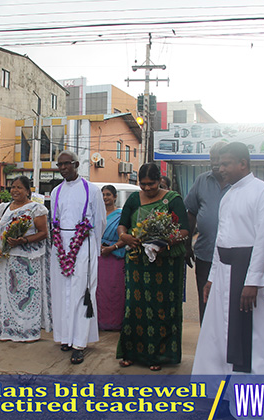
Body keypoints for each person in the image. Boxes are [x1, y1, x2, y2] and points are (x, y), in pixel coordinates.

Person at [192, 142, 264, 375]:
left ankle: (255, 400)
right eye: (219, 163)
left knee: (254, 337)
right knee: (219, 335)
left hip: (250, 274)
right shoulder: (228, 195)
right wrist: (211, 277)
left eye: (226, 163)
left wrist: (252, 281)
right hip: (224, 274)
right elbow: (219, 241)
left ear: (243, 163)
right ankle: (224, 390)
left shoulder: (263, 192)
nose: (220, 168)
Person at [116, 163, 190, 371]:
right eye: (143, 184)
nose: (147, 188)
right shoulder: (133, 199)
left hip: (165, 264)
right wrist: (124, 236)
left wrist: (164, 242)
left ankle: (159, 355)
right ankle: (131, 352)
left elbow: (184, 230)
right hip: (137, 262)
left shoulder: (172, 200)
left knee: (161, 308)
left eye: (152, 184)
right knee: (134, 307)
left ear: (160, 180)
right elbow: (123, 223)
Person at [50, 150, 106, 364]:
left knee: (81, 293)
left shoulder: (91, 190)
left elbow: (100, 221)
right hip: (60, 245)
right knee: (62, 292)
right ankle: (65, 337)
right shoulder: (55, 191)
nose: (63, 168)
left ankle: (80, 343)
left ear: (76, 164)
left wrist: (93, 249)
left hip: (83, 244)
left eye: (67, 164)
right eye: (60, 165)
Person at [0, 176, 51, 342]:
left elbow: (43, 233)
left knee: (27, 296)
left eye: (19, 188)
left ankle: (28, 331)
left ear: (27, 191)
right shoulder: (3, 208)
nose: (15, 191)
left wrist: (22, 240)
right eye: (12, 187)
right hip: (5, 261)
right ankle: (8, 330)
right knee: (6, 296)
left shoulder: (36, 209)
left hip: (27, 262)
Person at [184, 141, 230, 324]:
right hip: (205, 255)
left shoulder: (238, 183)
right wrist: (187, 246)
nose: (215, 164)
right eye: (212, 159)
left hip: (231, 257)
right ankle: (207, 342)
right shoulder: (202, 180)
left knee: (228, 303)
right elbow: (191, 213)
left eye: (219, 160)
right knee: (206, 301)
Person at [97, 185, 126, 331]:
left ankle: (115, 323)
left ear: (115, 197)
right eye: (102, 194)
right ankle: (99, 322)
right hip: (98, 258)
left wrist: (112, 248)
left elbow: (127, 237)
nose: (105, 197)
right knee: (99, 291)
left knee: (114, 291)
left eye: (108, 194)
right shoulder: (96, 214)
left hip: (115, 257)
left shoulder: (121, 216)